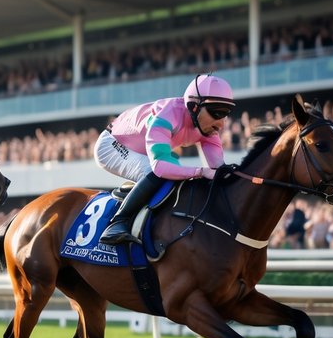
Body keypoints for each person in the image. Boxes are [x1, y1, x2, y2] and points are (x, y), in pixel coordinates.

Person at [94, 73, 237, 245]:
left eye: (225, 114)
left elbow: (218, 170)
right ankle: (117, 222)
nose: (221, 123)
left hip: (143, 150)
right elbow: (160, 167)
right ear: (194, 107)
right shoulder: (166, 115)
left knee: (174, 169)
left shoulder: (207, 127)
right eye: (216, 113)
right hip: (112, 145)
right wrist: (200, 171)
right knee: (159, 173)